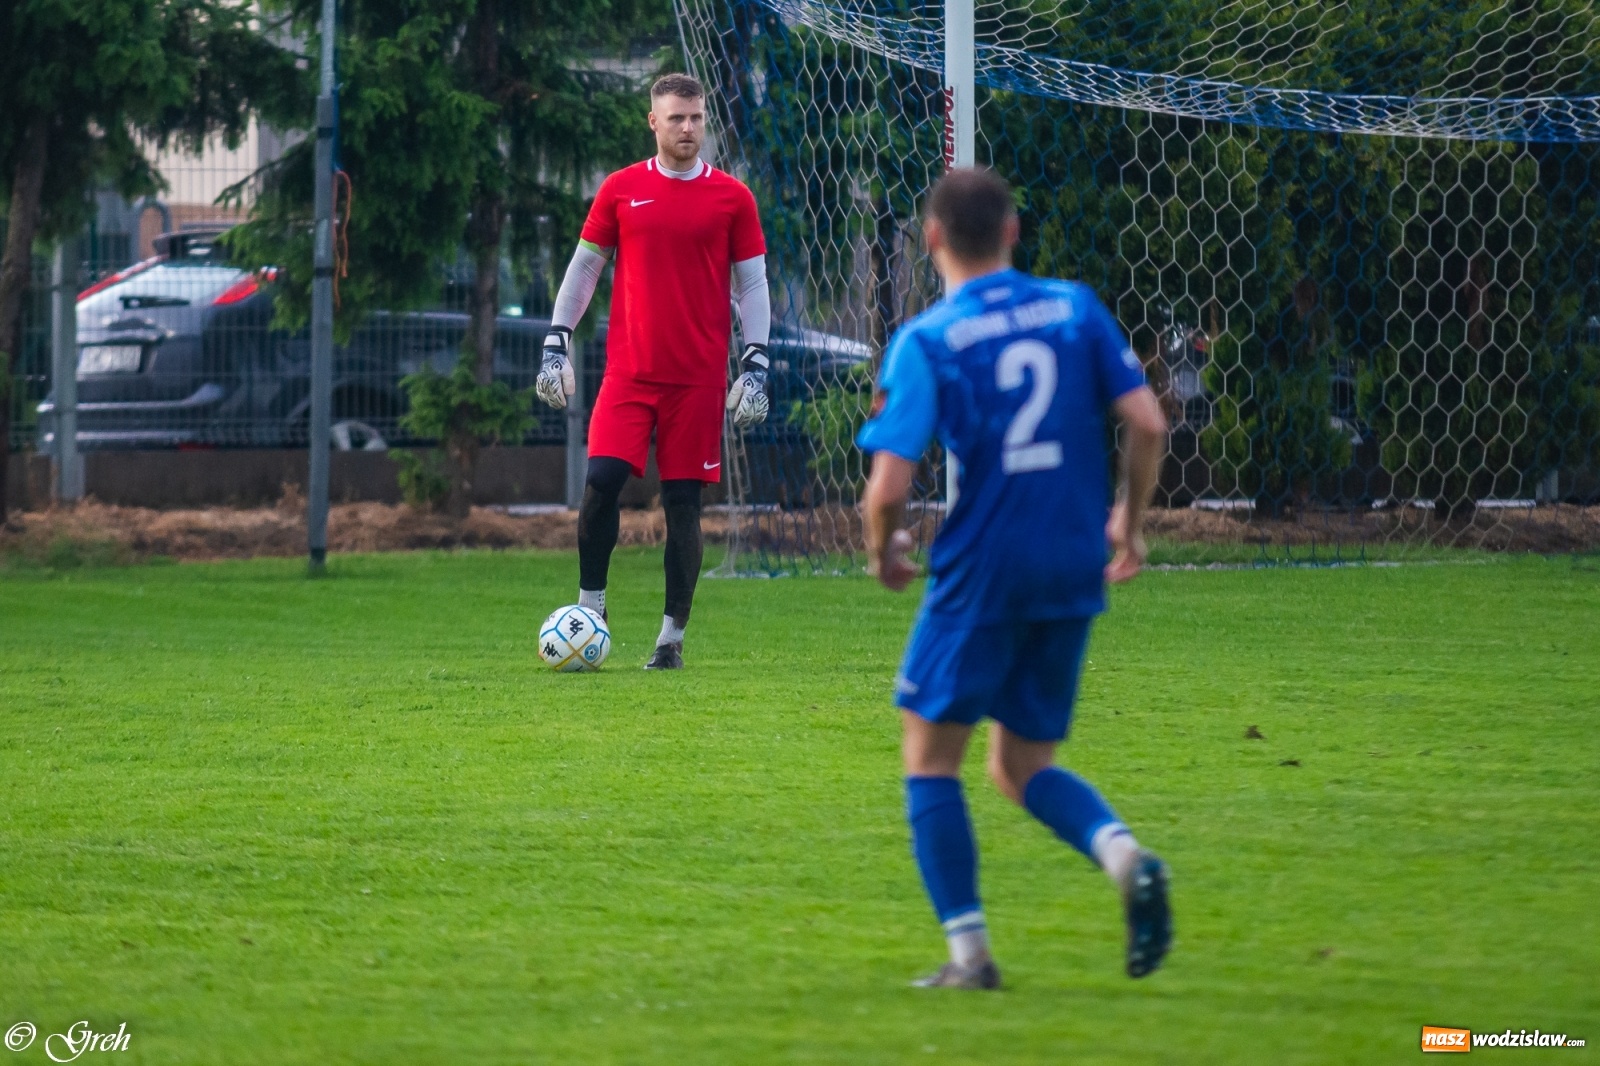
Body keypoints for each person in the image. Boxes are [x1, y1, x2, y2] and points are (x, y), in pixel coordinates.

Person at [856, 166, 1173, 989]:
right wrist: (1128, 523)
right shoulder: (1074, 306)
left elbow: (888, 487)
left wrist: (883, 548)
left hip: (984, 568)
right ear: (1012, 231)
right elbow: (1146, 421)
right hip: (1071, 560)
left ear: (930, 240)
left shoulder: (928, 339)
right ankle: (1125, 856)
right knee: (1021, 766)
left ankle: (971, 959)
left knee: (931, 760)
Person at [537, 73, 771, 670]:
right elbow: (584, 269)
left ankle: (671, 640)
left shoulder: (733, 198)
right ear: (654, 122)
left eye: (695, 118)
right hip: (629, 374)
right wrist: (556, 341)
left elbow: (752, 285)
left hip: (697, 379)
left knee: (684, 504)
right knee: (601, 482)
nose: (687, 128)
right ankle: (592, 609)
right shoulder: (620, 189)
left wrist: (757, 360)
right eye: (676, 119)